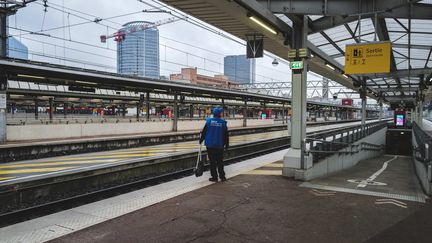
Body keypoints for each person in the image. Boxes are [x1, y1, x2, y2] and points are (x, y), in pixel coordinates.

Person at [199, 107, 229, 182]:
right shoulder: (223, 123)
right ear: (219, 114)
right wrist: (227, 145)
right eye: (221, 112)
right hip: (219, 145)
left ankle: (214, 177)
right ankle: (222, 176)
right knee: (220, 161)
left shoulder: (208, 121)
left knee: (212, 161)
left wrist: (201, 140)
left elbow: (204, 132)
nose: (222, 114)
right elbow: (226, 135)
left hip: (210, 145)